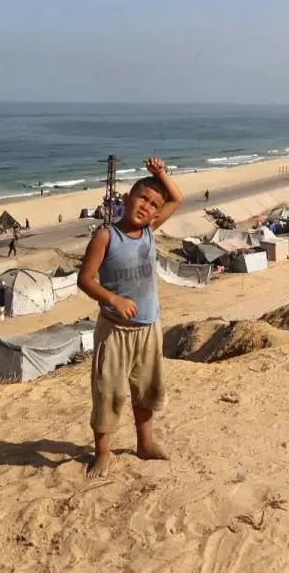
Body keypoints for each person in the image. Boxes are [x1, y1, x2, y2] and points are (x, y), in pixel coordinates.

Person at [78, 156, 182, 477]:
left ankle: (144, 443)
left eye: (153, 205)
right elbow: (85, 280)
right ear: (126, 198)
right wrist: (113, 299)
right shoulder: (106, 237)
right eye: (142, 198)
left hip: (149, 328)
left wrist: (160, 175)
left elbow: (177, 198)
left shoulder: (151, 230)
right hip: (115, 331)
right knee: (109, 391)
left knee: (146, 389)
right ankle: (103, 453)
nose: (147, 207)